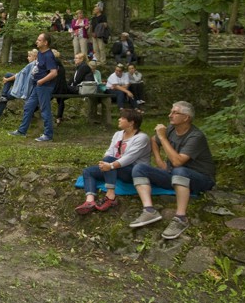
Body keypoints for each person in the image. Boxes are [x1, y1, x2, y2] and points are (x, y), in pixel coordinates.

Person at [129, 101, 215, 239]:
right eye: (171, 111)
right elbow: (153, 140)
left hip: (201, 179)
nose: (170, 115)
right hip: (174, 175)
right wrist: (158, 160)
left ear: (186, 117)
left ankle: (181, 218)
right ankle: (149, 210)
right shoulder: (170, 129)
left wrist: (163, 137)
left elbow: (177, 162)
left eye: (175, 112)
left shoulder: (196, 136)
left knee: (179, 170)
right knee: (139, 168)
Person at [75, 109, 150, 214]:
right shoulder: (118, 134)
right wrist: (104, 164)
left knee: (109, 160)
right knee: (88, 171)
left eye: (123, 118)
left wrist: (109, 165)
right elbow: (110, 152)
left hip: (133, 172)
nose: (119, 119)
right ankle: (90, 201)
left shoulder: (141, 138)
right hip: (115, 168)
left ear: (131, 122)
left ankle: (110, 196)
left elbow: (129, 158)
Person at [9, 32, 58, 142]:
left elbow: (54, 73)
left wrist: (41, 81)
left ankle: (48, 135)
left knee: (45, 109)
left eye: (39, 40)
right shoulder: (40, 53)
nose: (36, 41)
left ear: (45, 43)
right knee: (28, 106)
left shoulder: (49, 56)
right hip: (38, 85)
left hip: (45, 86)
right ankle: (22, 131)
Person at [0, 49, 37, 125]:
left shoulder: (32, 66)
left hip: (24, 89)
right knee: (8, 75)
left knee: (5, 97)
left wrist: (7, 80)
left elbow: (19, 75)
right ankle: (3, 97)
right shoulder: (36, 65)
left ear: (35, 57)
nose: (27, 58)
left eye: (29, 56)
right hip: (26, 85)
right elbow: (20, 74)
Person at [54, 52, 94, 124]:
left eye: (76, 58)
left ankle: (59, 117)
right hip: (78, 87)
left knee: (60, 91)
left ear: (81, 59)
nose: (74, 59)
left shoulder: (84, 67)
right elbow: (72, 79)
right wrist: (67, 85)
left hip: (83, 88)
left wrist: (67, 87)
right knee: (61, 96)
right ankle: (59, 117)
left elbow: (77, 80)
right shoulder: (79, 66)